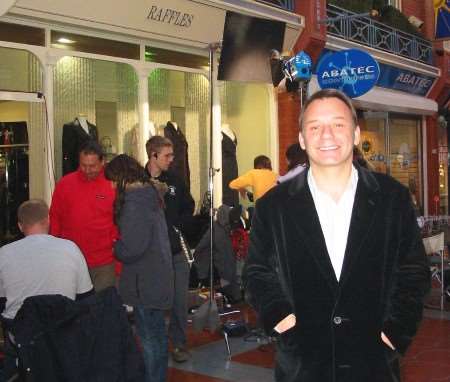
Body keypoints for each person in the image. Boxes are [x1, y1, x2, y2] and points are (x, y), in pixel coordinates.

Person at [243, 89, 430, 382]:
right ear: (303, 139)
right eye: (315, 127)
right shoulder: (273, 206)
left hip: (373, 364)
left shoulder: (392, 198)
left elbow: (413, 271)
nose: (326, 135)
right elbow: (257, 272)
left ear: (356, 134)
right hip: (303, 366)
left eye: (338, 124)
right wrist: (279, 319)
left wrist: (395, 333)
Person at [0, 199, 93, 379]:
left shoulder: (4, 254)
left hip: (21, 339)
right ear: (47, 220)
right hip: (62, 336)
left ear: (20, 226)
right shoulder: (71, 249)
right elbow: (86, 298)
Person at [105, 154, 173, 382]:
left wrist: (116, 247)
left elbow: (134, 247)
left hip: (144, 280)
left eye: (113, 180)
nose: (112, 186)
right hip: (156, 276)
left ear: (122, 177)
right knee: (158, 337)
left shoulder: (135, 203)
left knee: (149, 339)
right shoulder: (150, 194)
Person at [145, 136, 195, 363]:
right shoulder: (138, 181)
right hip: (149, 255)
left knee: (179, 301)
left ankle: (179, 344)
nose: (172, 160)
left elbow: (189, 205)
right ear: (153, 156)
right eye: (167, 155)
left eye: (172, 155)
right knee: (150, 304)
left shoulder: (175, 180)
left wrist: (176, 227)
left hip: (175, 251)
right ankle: (153, 346)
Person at [50, 140, 118, 292]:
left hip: (104, 261)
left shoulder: (113, 184)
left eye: (92, 166)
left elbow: (120, 222)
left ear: (102, 162)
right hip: (71, 260)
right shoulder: (64, 184)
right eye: (83, 165)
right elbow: (55, 218)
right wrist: (55, 250)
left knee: (103, 307)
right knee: (75, 309)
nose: (87, 170)